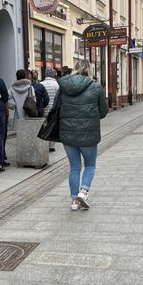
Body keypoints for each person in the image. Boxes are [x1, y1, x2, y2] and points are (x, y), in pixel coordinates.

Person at [58, 60, 108, 211]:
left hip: (68, 134)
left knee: (74, 166)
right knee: (90, 164)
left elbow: (57, 108)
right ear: (90, 70)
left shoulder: (64, 87)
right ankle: (83, 191)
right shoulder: (96, 87)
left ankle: (74, 201)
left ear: (75, 69)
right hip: (88, 134)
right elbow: (103, 112)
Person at [40, 68, 59, 152]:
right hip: (53, 109)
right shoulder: (56, 84)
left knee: (43, 127)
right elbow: (58, 97)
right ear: (52, 75)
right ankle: (51, 146)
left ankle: (44, 143)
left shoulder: (40, 84)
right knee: (52, 127)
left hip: (43, 109)